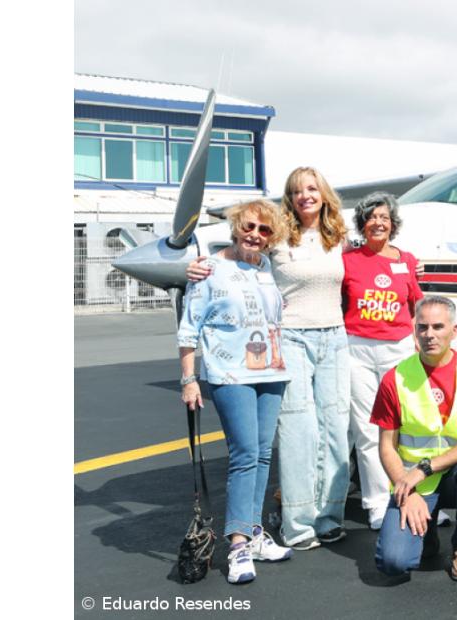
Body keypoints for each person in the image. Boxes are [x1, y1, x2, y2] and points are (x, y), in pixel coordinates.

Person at [187, 167, 353, 552]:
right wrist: (195, 266)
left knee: (335, 427)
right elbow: (233, 254)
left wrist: (412, 265)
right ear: (289, 198)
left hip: (335, 336)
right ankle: (297, 523)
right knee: (299, 430)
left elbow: (379, 247)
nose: (305, 196)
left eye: (312, 188)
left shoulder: (339, 237)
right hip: (289, 338)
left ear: (324, 193)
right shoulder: (276, 236)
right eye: (296, 191)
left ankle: (330, 516)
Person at [177, 199, 293, 584]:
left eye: (264, 230)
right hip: (230, 373)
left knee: (262, 455)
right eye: (249, 227)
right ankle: (239, 544)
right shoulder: (209, 269)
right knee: (244, 454)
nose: (255, 235)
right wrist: (189, 378)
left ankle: (255, 531)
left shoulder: (267, 268)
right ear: (236, 226)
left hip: (271, 370)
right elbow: (189, 327)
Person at [370, 296, 457, 580]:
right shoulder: (395, 378)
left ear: (454, 331)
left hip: (454, 476)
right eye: (423, 327)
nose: (429, 335)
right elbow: (386, 447)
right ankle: (424, 532)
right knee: (393, 563)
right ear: (414, 330)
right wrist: (408, 493)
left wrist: (424, 468)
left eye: (438, 326)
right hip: (415, 484)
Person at [342, 191, 424, 530]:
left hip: (399, 347)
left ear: (393, 224)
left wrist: (421, 344)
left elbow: (417, 304)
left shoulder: (406, 259)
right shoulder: (348, 259)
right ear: (362, 224)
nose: (378, 222)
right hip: (357, 349)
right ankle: (377, 503)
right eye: (372, 217)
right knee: (367, 429)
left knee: (406, 425)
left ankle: (418, 493)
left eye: (384, 217)